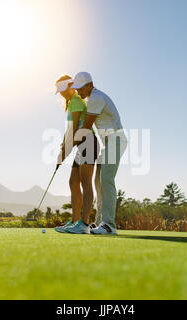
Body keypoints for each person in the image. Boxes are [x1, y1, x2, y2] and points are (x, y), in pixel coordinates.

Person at [71, 72, 127, 235]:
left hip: (116, 139)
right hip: (107, 143)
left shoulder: (96, 98)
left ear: (89, 85)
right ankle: (99, 222)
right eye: (76, 89)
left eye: (80, 88)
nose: (78, 92)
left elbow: (86, 127)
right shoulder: (91, 98)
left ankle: (109, 225)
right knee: (97, 181)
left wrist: (68, 146)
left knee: (106, 179)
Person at [54, 75, 100, 234]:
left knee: (85, 182)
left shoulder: (75, 101)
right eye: (59, 91)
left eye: (63, 90)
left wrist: (65, 152)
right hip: (82, 144)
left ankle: (84, 223)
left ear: (71, 85)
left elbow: (75, 130)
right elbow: (70, 130)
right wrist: (63, 147)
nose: (62, 93)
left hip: (88, 141)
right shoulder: (71, 102)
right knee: (73, 182)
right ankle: (75, 221)